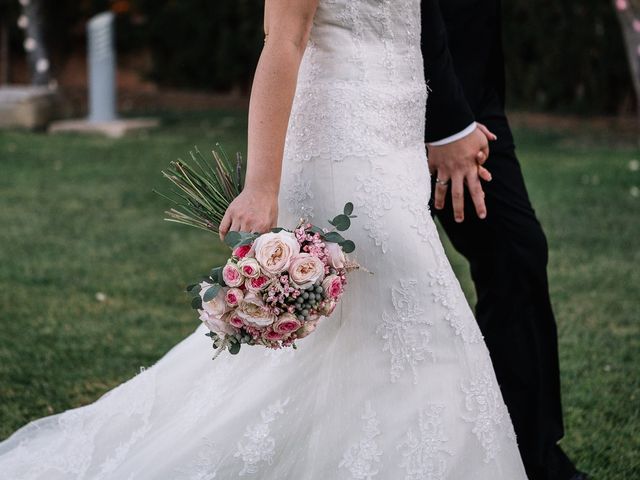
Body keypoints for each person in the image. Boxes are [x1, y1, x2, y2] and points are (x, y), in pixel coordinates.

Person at [0, 1, 528, 478]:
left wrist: (446, 129)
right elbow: (283, 42)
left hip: (396, 143)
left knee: (358, 338)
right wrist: (262, 185)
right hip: (341, 147)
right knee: (415, 317)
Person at [421, 1, 588, 479]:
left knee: (517, 256)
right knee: (372, 281)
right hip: (414, 104)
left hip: (475, 98)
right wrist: (446, 121)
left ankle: (528, 453)